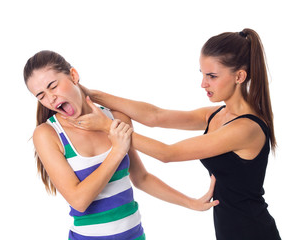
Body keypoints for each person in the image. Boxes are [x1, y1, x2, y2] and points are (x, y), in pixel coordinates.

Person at [67, 28, 282, 239]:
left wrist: (107, 127)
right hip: (230, 230)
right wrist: (90, 94)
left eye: (212, 76)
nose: (203, 83)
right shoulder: (217, 115)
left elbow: (166, 153)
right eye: (202, 74)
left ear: (240, 76)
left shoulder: (246, 129)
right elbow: (155, 116)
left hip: (253, 231)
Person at [23, 50, 219, 240]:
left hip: (135, 235)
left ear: (73, 75)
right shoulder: (48, 134)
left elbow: (141, 178)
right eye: (40, 95)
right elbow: (79, 201)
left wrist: (190, 203)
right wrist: (117, 151)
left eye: (53, 86)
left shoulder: (115, 117)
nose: (50, 98)